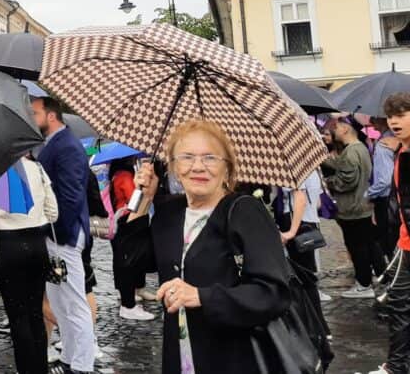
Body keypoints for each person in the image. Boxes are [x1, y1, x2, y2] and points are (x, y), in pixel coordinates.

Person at [123, 119, 289, 373]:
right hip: (181, 356)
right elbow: (132, 264)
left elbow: (273, 293)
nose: (198, 167)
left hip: (234, 358)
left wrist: (202, 296)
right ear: (174, 167)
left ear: (227, 168)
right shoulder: (170, 212)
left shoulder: (245, 212)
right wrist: (144, 199)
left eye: (210, 158)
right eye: (187, 157)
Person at [32, 96, 97, 374]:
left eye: (34, 112)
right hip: (57, 236)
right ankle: (70, 358)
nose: (30, 117)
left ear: (51, 116)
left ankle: (82, 365)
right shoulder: (56, 144)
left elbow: (70, 198)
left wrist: (55, 232)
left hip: (65, 236)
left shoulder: (67, 146)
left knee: (74, 302)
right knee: (61, 302)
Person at [0, 155, 58, 373]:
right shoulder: (37, 167)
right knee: (35, 313)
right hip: (37, 243)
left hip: (6, 245)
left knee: (18, 316)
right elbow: (53, 212)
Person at [324, 117, 381, 298]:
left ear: (346, 129)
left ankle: (364, 284)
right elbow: (344, 168)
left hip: (352, 209)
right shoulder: (359, 148)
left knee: (357, 248)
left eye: (338, 126)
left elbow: (346, 181)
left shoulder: (351, 152)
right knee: (367, 245)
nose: (336, 129)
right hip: (360, 207)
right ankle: (375, 278)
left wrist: (328, 182)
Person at [373, 93, 410, 374]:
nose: (394, 121)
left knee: (399, 304)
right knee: (398, 304)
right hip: (405, 244)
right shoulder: (400, 153)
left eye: (402, 114)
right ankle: (397, 366)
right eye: (391, 116)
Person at [275, 169, 330, 323]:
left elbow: (300, 197)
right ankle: (318, 324)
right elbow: (318, 202)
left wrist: (291, 231)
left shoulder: (294, 168)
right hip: (309, 222)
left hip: (297, 225)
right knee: (307, 277)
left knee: (302, 278)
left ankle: (313, 324)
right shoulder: (311, 169)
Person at [108, 157, 154, 321]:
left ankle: (131, 296)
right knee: (128, 259)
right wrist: (140, 187)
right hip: (128, 220)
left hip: (127, 219)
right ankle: (128, 303)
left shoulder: (119, 174)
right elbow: (133, 200)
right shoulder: (124, 176)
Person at [372, 117, 400, 262]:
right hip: (395, 198)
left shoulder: (385, 144)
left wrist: (367, 194)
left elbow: (384, 181)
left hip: (389, 199)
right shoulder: (392, 141)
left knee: (390, 239)